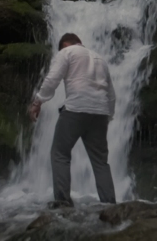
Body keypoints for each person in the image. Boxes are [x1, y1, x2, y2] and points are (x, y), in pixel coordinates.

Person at [29, 33, 117, 207]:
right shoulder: (100, 59)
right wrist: (109, 116)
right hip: (100, 113)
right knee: (101, 162)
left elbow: (52, 79)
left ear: (66, 44)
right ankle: (110, 205)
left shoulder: (67, 52)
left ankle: (62, 203)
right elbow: (111, 94)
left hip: (76, 109)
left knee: (60, 154)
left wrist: (38, 101)